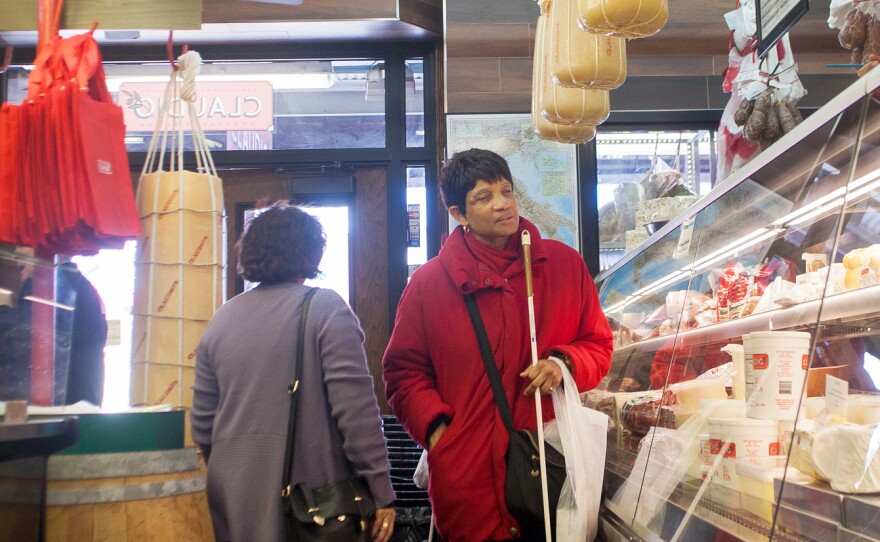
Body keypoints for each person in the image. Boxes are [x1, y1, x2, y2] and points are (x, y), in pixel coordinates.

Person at [382, 148, 613, 542]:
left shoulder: (563, 265)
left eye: (506, 190)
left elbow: (598, 344)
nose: (502, 204)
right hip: (465, 477)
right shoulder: (429, 284)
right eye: (483, 197)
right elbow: (403, 373)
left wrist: (564, 363)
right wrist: (439, 433)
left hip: (549, 471)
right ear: (459, 214)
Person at [191, 203, 396, 542]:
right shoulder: (326, 309)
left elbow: (201, 425)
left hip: (232, 501)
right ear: (311, 253)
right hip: (311, 505)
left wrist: (238, 468)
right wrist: (381, 490)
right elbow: (356, 415)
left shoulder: (221, 320)